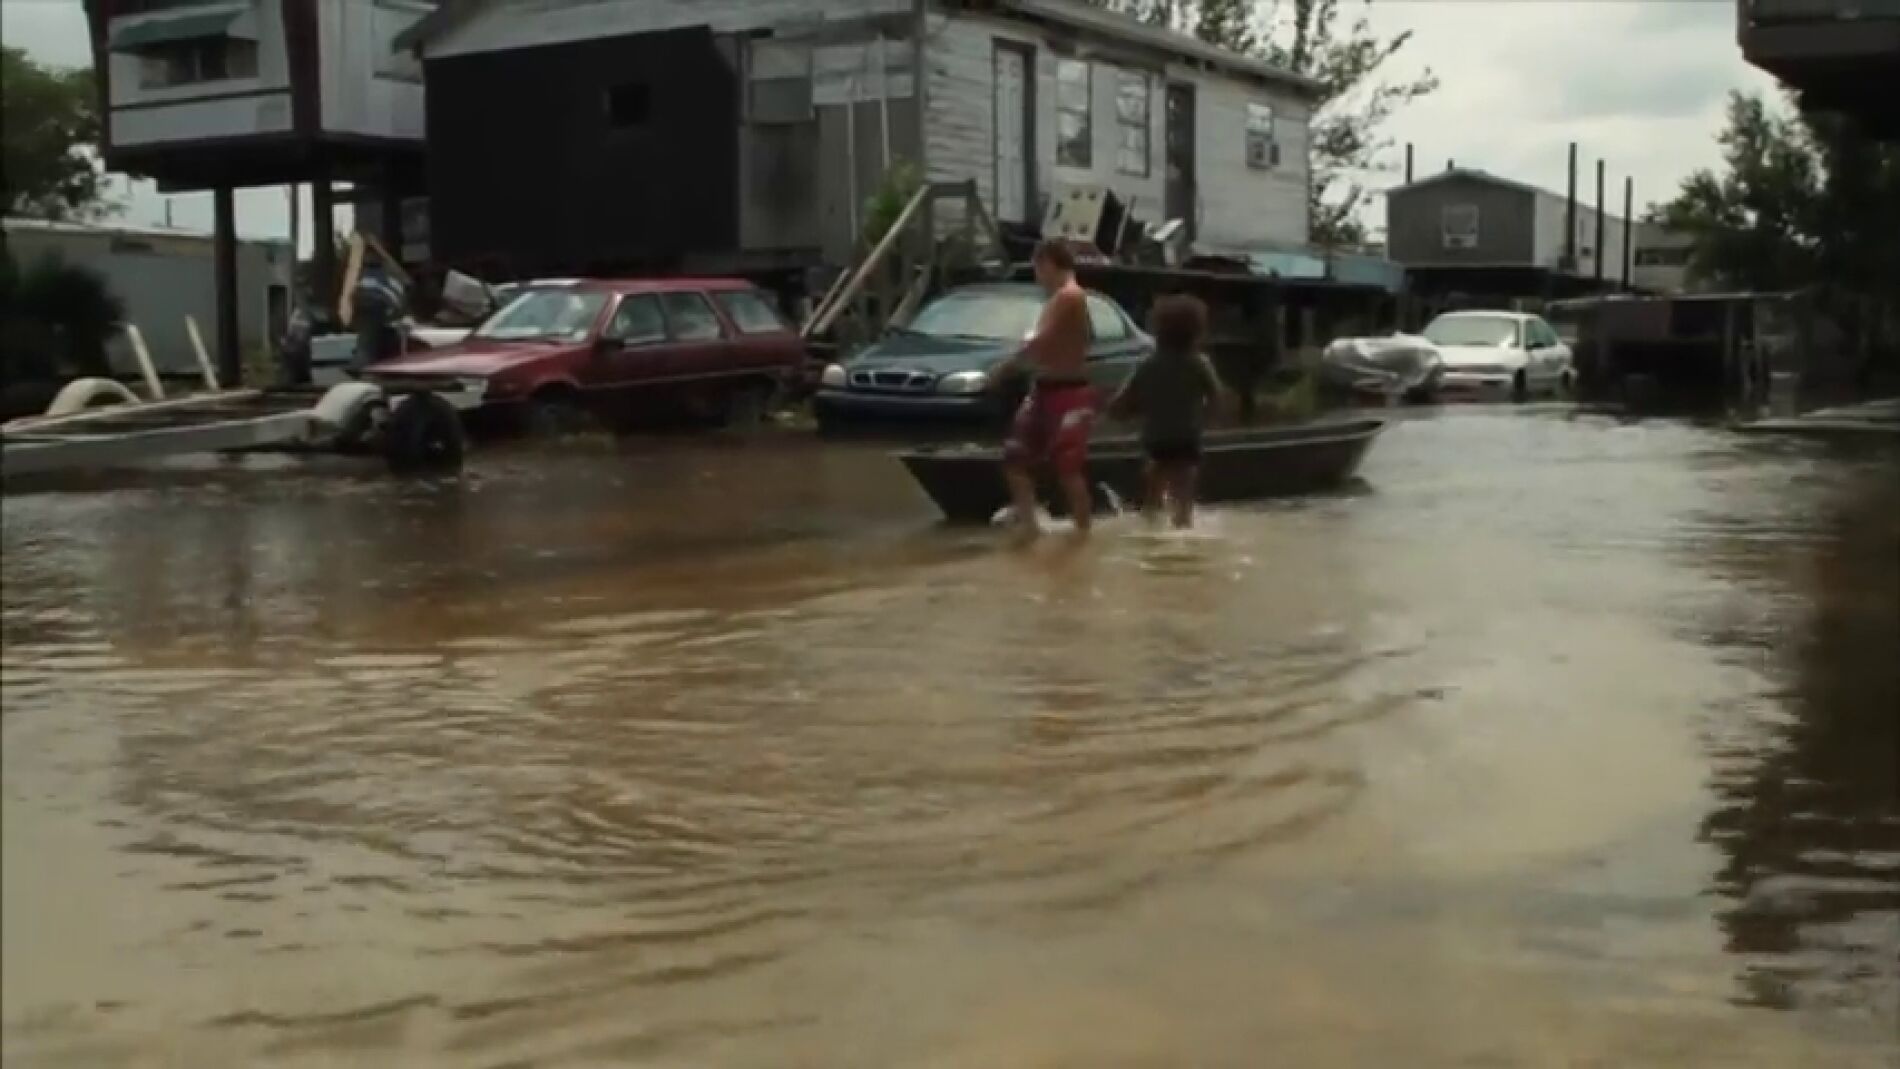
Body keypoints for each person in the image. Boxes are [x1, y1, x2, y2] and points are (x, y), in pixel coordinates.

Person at [992, 240, 1097, 536]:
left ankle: (1082, 533)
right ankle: (1031, 525)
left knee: (1068, 468)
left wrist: (1004, 368)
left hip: (1069, 391)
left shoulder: (1069, 296)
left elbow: (1039, 341)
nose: (1036, 276)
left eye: (1037, 268)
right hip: (1044, 388)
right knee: (1015, 457)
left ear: (1048, 263)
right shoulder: (1060, 299)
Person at [1109, 294, 1226, 529]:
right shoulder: (1198, 363)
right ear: (1196, 331)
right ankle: (1182, 529)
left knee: (1153, 490)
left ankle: (1150, 527)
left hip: (1155, 438)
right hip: (1187, 437)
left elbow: (1119, 404)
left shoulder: (1147, 364)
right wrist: (1209, 419)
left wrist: (1127, 414)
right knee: (1183, 497)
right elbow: (1217, 396)